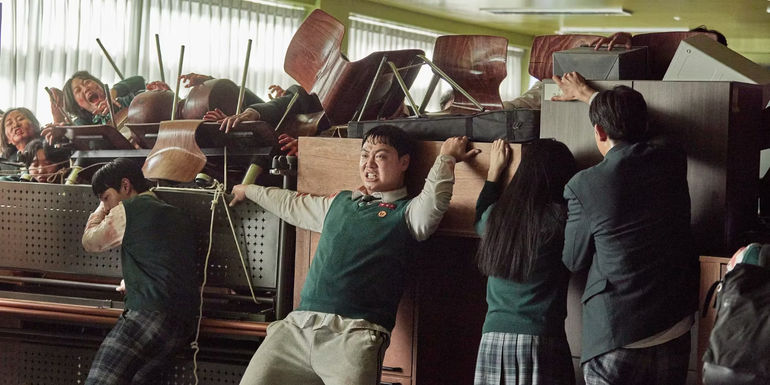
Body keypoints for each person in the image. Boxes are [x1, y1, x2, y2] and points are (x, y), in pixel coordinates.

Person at [229, 126, 480, 385]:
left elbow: (433, 200)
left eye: (381, 156)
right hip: (297, 329)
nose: (369, 163)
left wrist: (446, 157)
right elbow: (291, 203)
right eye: (364, 155)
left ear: (404, 162)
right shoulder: (339, 203)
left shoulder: (408, 213)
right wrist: (248, 190)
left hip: (355, 335)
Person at [553, 72, 698, 385]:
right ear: (644, 126)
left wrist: (593, 100)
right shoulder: (672, 160)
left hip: (618, 329)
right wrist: (593, 97)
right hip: (675, 323)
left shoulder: (584, 184)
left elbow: (573, 259)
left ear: (598, 130)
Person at [81, 158, 200, 384]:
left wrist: (99, 210)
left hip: (148, 314)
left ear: (125, 186)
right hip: (181, 325)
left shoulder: (129, 209)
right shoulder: (174, 213)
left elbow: (90, 241)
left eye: (106, 197)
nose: (107, 205)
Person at [473, 138, 577, 385]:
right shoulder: (561, 219)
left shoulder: (495, 217)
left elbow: (479, 216)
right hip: (540, 338)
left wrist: (494, 173)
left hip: (492, 338)